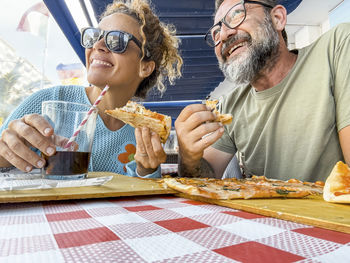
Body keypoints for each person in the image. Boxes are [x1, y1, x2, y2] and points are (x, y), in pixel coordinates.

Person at [0, 0, 182, 178]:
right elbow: (4, 153)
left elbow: (144, 197)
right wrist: (4, 155)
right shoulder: (46, 102)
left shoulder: (144, 132)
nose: (97, 45)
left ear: (145, 67)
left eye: (116, 40)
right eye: (93, 36)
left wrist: (146, 170)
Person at [175, 0, 350, 182]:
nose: (224, 35)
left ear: (277, 18)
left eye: (236, 15)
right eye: (216, 33)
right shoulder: (228, 106)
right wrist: (188, 158)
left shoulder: (336, 48)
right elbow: (204, 181)